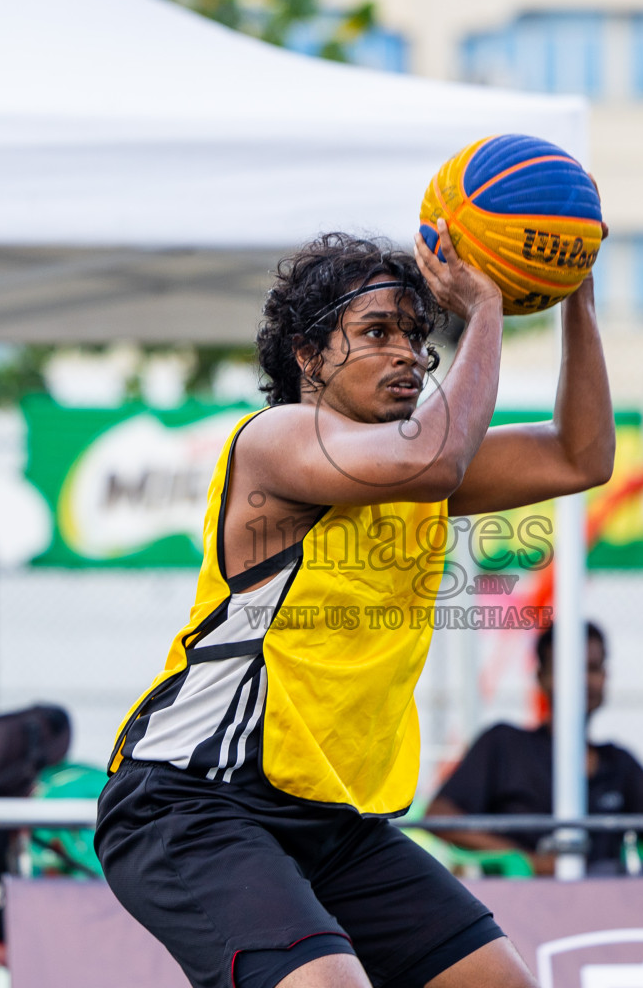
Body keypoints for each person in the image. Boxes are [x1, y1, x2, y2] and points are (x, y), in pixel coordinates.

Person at [95, 220, 615, 988]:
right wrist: (488, 307)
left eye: (416, 331)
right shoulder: (278, 441)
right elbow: (431, 457)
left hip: (331, 818)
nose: (406, 350)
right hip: (192, 802)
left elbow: (582, 454)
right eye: (376, 331)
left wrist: (576, 297)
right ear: (307, 355)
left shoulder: (419, 463)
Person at [427, 621, 643, 876]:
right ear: (541, 677)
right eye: (571, 669)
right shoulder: (503, 744)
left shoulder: (619, 763)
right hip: (516, 908)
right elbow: (440, 816)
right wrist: (527, 861)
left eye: (593, 668)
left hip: (604, 907)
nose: (584, 681)